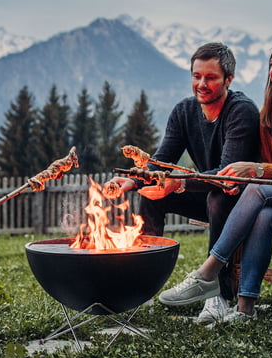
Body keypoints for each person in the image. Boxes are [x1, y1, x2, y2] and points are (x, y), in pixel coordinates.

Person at [159, 38, 272, 323]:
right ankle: (246, 308)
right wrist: (241, 178)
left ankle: (209, 271)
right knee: (263, 216)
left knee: (258, 190)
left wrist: (256, 172)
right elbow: (267, 167)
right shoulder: (271, 112)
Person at [107, 42, 260, 319]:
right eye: (196, 76)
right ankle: (145, 286)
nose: (201, 83)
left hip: (244, 199)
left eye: (211, 77)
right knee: (153, 193)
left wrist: (178, 183)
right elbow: (162, 160)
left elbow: (227, 174)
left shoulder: (241, 111)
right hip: (206, 190)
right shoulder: (184, 112)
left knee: (218, 195)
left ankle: (219, 295)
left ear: (229, 79)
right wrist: (134, 181)